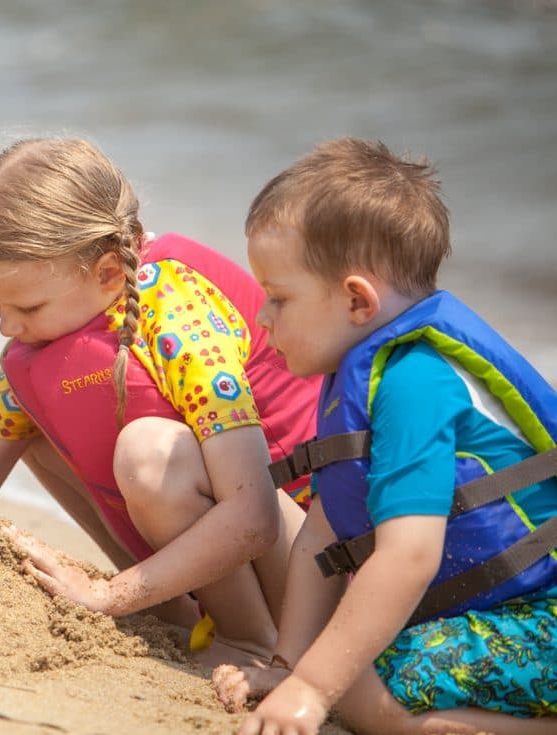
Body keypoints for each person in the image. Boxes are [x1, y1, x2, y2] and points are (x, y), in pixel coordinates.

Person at [0, 137, 321, 663]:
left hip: (309, 569)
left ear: (107, 273)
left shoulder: (179, 317)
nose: (6, 327)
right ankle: (178, 612)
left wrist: (107, 596)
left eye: (26, 305)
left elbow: (254, 515)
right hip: (230, 549)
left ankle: (250, 640)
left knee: (148, 454)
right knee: (37, 430)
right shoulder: (46, 344)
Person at [211, 137, 557, 735]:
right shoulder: (356, 377)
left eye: (278, 298)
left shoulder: (413, 383)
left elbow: (409, 555)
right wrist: (289, 667)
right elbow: (325, 531)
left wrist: (312, 691)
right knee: (348, 669)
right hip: (502, 615)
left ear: (356, 300)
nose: (262, 318)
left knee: (362, 680)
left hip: (543, 618)